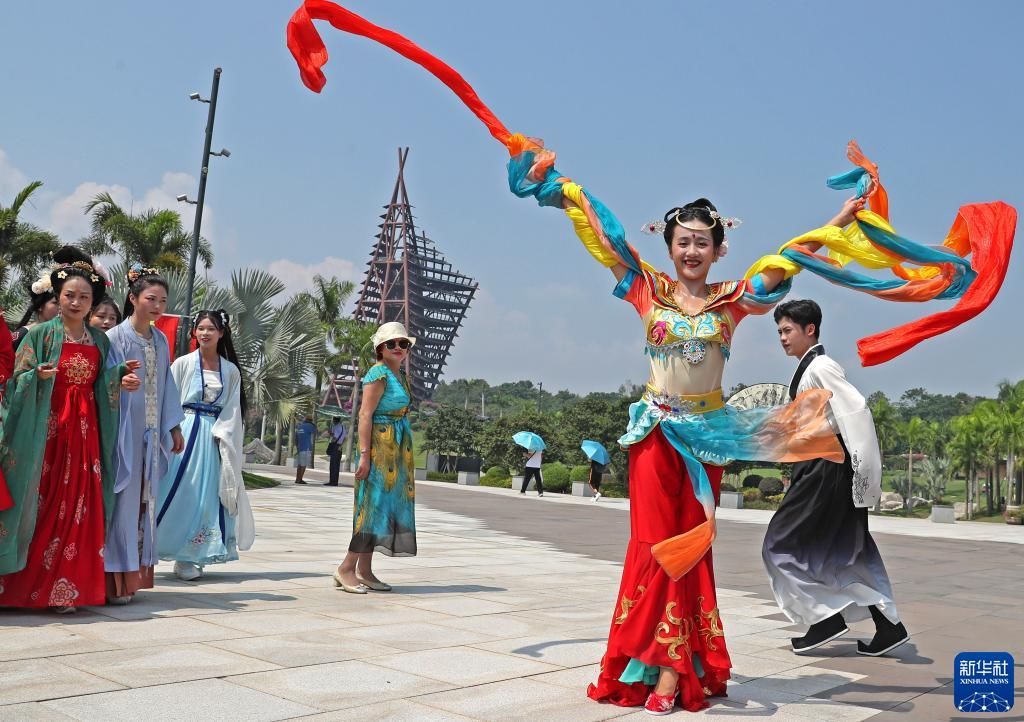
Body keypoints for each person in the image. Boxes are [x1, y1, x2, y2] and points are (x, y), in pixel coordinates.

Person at [765, 299, 908, 656]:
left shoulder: (821, 366)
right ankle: (888, 626)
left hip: (825, 468)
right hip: (826, 467)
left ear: (809, 329)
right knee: (848, 551)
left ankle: (824, 618)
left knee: (779, 545)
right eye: (779, 331)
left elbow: (854, 409)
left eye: (787, 330)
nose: (782, 338)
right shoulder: (810, 367)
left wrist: (863, 472)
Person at [0, 246, 140, 612]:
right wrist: (36, 377)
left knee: (80, 505)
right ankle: (23, 588)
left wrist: (119, 377)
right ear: (57, 297)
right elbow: (15, 382)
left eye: (84, 297)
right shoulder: (40, 335)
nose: (76, 302)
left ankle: (67, 589)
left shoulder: (99, 340)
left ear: (93, 302)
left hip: (85, 432)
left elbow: (100, 383)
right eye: (69, 296)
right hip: (47, 431)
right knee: (43, 502)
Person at [105, 264, 185, 604]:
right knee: (122, 502)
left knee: (144, 502)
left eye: (162, 300)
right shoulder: (115, 338)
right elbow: (102, 382)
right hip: (124, 432)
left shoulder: (162, 339)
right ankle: (113, 583)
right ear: (133, 298)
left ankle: (134, 578)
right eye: (151, 298)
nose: (157, 306)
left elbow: (166, 384)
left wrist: (174, 425)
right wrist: (118, 383)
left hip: (152, 434)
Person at [156, 310, 255, 581]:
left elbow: (233, 408)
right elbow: (168, 398)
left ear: (221, 333)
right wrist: (171, 430)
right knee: (175, 491)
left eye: (211, 328)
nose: (204, 333)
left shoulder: (230, 370)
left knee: (206, 496)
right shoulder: (183, 364)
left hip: (214, 436)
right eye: (200, 328)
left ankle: (189, 556)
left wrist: (225, 435)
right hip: (183, 432)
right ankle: (155, 546)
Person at [333, 321, 417, 594]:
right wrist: (365, 456)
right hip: (379, 448)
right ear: (380, 348)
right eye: (391, 343)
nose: (398, 348)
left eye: (403, 344)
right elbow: (365, 415)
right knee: (371, 507)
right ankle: (346, 567)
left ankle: (365, 571)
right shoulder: (378, 373)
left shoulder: (400, 376)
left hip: (397, 448)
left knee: (382, 508)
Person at [12, 274, 59, 349]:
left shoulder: (61, 335)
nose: (60, 307)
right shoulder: (22, 334)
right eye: (55, 303)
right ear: (40, 306)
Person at [294, 416, 317, 485]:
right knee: (303, 465)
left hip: (300, 448)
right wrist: (313, 425)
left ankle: (297, 479)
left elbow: (296, 438)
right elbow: (315, 431)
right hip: (306, 448)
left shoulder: (299, 426)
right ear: (310, 420)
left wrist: (297, 447)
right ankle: (299, 480)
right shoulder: (310, 426)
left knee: (300, 465)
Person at [325, 416, 346, 486]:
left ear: (334, 420)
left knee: (333, 465)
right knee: (336, 465)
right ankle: (335, 481)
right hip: (339, 447)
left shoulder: (336, 427)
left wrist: (330, 433)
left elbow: (335, 437)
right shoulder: (343, 427)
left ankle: (332, 481)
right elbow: (345, 437)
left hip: (335, 446)